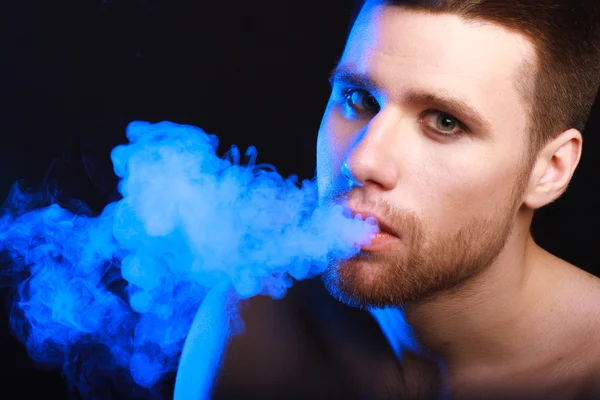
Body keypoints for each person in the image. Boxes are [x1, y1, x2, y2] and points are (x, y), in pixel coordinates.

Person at [317, 0, 600, 399]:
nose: (362, 162)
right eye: (360, 99)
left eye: (445, 122)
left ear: (550, 170)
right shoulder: (252, 322)